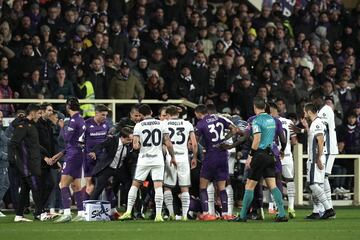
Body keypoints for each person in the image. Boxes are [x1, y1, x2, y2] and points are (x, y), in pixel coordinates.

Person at [232, 97, 287, 222]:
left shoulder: (256, 120)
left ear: (255, 107)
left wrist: (250, 156)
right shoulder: (272, 120)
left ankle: (242, 216)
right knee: (273, 186)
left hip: (260, 155)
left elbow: (256, 139)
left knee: (249, 186)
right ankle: (282, 214)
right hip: (270, 155)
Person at [119, 104, 176, 222]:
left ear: (141, 114)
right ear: (150, 112)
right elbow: (168, 143)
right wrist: (173, 157)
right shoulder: (161, 124)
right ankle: (159, 215)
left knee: (135, 184)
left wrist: (142, 147)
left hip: (144, 159)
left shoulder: (138, 125)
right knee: (158, 186)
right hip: (158, 159)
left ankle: (128, 212)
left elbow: (135, 146)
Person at [194, 104, 238, 221]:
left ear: (199, 113)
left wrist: (194, 156)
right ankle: (226, 214)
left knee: (203, 186)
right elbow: (234, 129)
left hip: (210, 156)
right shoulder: (220, 118)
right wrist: (224, 140)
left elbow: (194, 143)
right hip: (222, 155)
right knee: (222, 187)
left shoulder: (201, 123)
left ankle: (206, 213)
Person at [8, 104, 49, 222]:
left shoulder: (31, 126)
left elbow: (34, 145)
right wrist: (12, 160)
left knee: (25, 190)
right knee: (36, 187)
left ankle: (19, 215)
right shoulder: (23, 126)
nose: (40, 116)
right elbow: (12, 143)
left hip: (32, 162)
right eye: (39, 113)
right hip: (27, 164)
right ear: (32, 113)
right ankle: (41, 213)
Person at [163, 105, 198, 221]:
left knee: (167, 187)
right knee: (184, 188)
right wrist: (194, 157)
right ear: (178, 114)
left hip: (170, 158)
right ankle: (184, 215)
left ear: (168, 115)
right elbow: (194, 143)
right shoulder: (187, 124)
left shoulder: (164, 124)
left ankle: (172, 214)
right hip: (183, 158)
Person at [54, 97, 86, 223]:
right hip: (79, 153)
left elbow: (67, 138)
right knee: (76, 185)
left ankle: (67, 213)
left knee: (62, 184)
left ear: (68, 107)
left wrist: (62, 127)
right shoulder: (81, 119)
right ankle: (81, 213)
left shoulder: (73, 120)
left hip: (73, 154)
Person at [89, 127, 133, 218]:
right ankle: (90, 211)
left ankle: (128, 211)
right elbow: (100, 145)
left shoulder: (129, 146)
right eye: (128, 140)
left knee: (129, 184)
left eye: (131, 140)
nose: (130, 142)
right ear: (122, 137)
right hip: (108, 168)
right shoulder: (112, 140)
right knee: (99, 188)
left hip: (119, 169)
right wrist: (93, 151)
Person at [303, 103, 335, 220]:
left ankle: (328, 209)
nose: (304, 114)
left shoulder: (316, 123)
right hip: (317, 157)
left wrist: (318, 158)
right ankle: (317, 211)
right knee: (318, 184)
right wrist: (305, 128)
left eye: (305, 112)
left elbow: (320, 141)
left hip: (315, 158)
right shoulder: (316, 123)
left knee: (313, 184)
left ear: (310, 112)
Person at [268, 102, 297, 218]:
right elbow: (294, 141)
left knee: (274, 181)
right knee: (290, 180)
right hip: (287, 155)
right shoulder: (289, 122)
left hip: (274, 155)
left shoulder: (269, 122)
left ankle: (276, 206)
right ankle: (291, 207)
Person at [83, 104, 110, 201]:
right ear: (96, 113)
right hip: (89, 159)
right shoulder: (86, 124)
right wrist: (89, 152)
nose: (105, 117)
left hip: (102, 159)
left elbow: (107, 141)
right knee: (90, 186)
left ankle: (109, 209)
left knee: (106, 183)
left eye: (106, 115)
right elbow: (80, 142)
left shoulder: (106, 125)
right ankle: (85, 210)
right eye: (103, 115)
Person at [0, 110, 10, 217]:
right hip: (1, 162)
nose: (1, 119)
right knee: (3, 184)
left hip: (3, 163)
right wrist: (7, 156)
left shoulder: (1, 131)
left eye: (2, 117)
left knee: (5, 184)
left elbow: (6, 141)